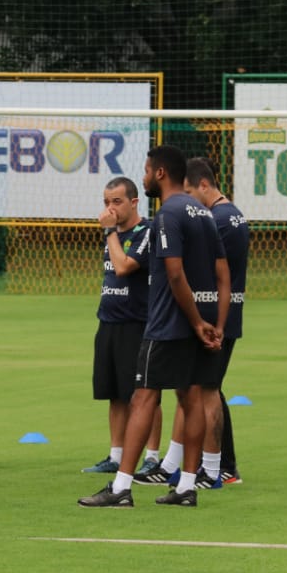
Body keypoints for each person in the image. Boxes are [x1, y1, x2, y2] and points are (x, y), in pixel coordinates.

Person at [79, 145, 230, 508]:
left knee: (143, 397)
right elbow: (223, 272)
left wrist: (194, 322)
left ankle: (120, 488)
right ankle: (187, 487)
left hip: (168, 324)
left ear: (160, 173)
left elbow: (175, 273)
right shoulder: (204, 213)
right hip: (202, 322)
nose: (145, 177)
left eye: (146, 171)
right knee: (190, 397)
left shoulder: (168, 215)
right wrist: (217, 324)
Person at [154, 157, 248, 487]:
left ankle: (219, 468)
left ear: (204, 185)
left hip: (212, 315)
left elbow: (207, 270)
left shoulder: (216, 218)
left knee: (206, 392)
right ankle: (185, 465)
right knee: (201, 390)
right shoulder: (233, 214)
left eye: (192, 191)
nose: (189, 200)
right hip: (227, 313)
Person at [84, 177, 164, 475]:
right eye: (106, 202)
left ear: (134, 202)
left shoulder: (147, 231)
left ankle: (152, 457)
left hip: (138, 323)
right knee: (115, 393)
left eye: (116, 201)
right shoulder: (114, 236)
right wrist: (111, 233)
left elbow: (124, 267)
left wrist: (108, 231)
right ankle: (116, 456)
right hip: (109, 321)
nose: (110, 208)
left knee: (144, 392)